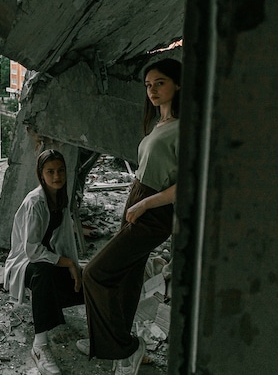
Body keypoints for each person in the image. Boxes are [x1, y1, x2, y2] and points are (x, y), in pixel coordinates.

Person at [82, 58, 182, 375]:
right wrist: (135, 196)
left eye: (160, 83)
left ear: (178, 84)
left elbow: (187, 186)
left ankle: (123, 346)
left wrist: (144, 204)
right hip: (139, 198)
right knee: (127, 277)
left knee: (95, 273)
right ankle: (114, 344)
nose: (152, 90)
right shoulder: (159, 124)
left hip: (153, 210)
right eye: (148, 85)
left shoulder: (185, 128)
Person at [4, 149, 83, 375]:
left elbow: (65, 239)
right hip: (25, 261)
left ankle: (101, 339)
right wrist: (66, 263)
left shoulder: (61, 197)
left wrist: (74, 267)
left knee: (86, 280)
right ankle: (39, 345)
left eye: (60, 171)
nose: (56, 176)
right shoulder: (36, 202)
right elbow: (31, 250)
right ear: (41, 174)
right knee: (44, 274)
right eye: (50, 172)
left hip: (47, 255)